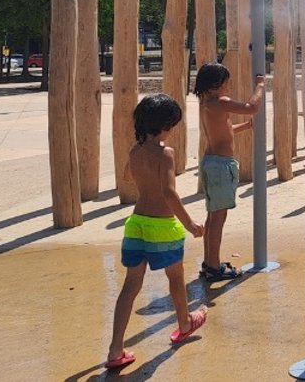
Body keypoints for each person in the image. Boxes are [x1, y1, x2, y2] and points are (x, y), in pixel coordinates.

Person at [107, 94, 207, 370]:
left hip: (137, 223)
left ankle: (115, 349)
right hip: (163, 226)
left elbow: (127, 176)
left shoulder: (135, 150)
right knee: (176, 277)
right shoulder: (166, 153)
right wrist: (189, 224)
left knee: (130, 286)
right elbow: (169, 192)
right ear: (165, 125)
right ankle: (185, 323)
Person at [194, 62, 266, 282]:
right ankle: (214, 267)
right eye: (227, 82)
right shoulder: (220, 102)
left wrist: (245, 126)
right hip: (220, 166)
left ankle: (209, 263)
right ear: (216, 84)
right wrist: (260, 85)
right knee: (218, 218)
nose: (229, 86)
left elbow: (223, 131)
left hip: (210, 163)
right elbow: (251, 106)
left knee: (212, 216)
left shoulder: (206, 103)